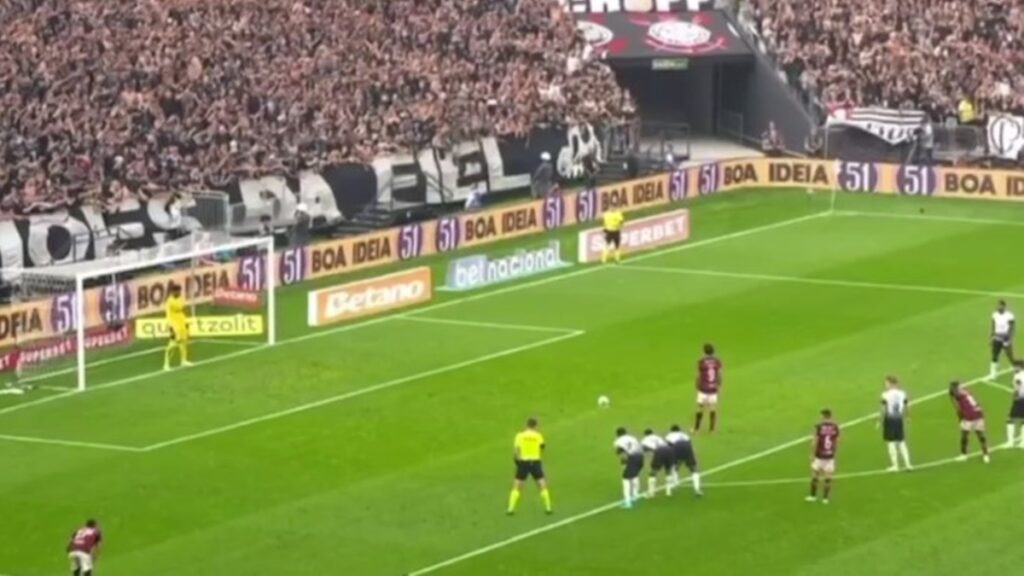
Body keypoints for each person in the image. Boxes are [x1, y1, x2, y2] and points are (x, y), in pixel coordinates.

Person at [507, 417, 552, 515]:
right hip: (535, 462)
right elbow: (542, 447)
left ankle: (510, 508)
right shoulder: (538, 436)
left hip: (523, 462)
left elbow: (515, 450)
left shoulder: (520, 436)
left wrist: (517, 461)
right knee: (542, 484)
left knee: (517, 486)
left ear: (526, 425)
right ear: (535, 426)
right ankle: (548, 508)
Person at [949, 381, 990, 463]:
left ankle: (968, 455)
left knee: (976, 436)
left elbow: (958, 409)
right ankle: (983, 455)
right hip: (974, 416)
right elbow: (959, 408)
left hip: (973, 416)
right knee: (973, 436)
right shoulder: (965, 393)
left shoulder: (959, 395)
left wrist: (960, 420)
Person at [879, 376, 912, 471]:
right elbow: (907, 405)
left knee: (891, 442)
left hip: (889, 419)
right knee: (901, 441)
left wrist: (879, 420)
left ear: (891, 383)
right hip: (899, 419)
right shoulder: (902, 393)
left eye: (886, 383)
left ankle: (895, 465)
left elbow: (883, 408)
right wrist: (908, 416)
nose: (885, 385)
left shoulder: (885, 394)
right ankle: (908, 464)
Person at [807, 408, 839, 504]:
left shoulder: (819, 426)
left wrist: (811, 454)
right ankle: (825, 498)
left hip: (819, 455)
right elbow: (837, 441)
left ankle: (813, 496)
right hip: (830, 455)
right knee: (828, 477)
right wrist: (835, 454)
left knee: (815, 475)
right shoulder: (835, 427)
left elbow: (814, 441)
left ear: (823, 416)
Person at [665, 424, 702, 496]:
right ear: (679, 430)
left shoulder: (669, 435)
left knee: (674, 466)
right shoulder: (684, 435)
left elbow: (669, 447)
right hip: (687, 447)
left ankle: (675, 483)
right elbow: (690, 444)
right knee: (693, 469)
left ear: (671, 430)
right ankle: (697, 489)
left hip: (677, 447)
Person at [693, 343, 723, 433]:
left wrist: (697, 385)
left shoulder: (701, 361)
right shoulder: (717, 361)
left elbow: (698, 375)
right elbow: (719, 374)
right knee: (712, 408)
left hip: (703, 387)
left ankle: (696, 429)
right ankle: (712, 429)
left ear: (704, 351)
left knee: (700, 408)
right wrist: (719, 385)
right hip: (713, 387)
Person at [163, 283, 192, 371]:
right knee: (173, 343)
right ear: (173, 292)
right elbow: (168, 314)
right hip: (174, 323)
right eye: (178, 291)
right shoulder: (169, 302)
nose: (179, 293)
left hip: (181, 322)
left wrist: (186, 322)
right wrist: (170, 327)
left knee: (184, 341)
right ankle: (166, 364)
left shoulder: (181, 298)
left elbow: (182, 310)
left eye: (180, 291)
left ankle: (183, 360)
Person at [613, 427, 644, 509]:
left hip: (632, 458)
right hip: (640, 456)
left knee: (625, 479)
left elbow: (622, 454)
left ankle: (628, 503)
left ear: (617, 434)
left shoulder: (618, 441)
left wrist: (623, 465)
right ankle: (635, 495)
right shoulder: (632, 438)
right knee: (635, 475)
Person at [640, 429, 674, 498]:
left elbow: (644, 449)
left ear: (645, 434)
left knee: (653, 472)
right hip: (669, 450)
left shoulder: (644, 440)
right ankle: (668, 491)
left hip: (659, 451)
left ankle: (651, 493)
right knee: (668, 470)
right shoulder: (658, 437)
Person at [990, 299, 1015, 379]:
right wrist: (992, 335)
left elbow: (1011, 327)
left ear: (1004, 306)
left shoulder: (1009, 315)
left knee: (1009, 355)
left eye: (1000, 305)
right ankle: (993, 373)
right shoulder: (994, 314)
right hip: (997, 337)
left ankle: (1017, 369)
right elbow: (993, 324)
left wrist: (1009, 337)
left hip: (1005, 337)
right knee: (994, 354)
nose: (998, 307)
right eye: (998, 305)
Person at [1007, 361, 1024, 448]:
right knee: (1022, 420)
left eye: (1015, 367)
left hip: (1020, 400)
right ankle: (1022, 443)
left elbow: (1018, 386)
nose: (1014, 368)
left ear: (1020, 367)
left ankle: (1010, 442)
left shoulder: (1017, 376)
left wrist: (1015, 396)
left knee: (1010, 419)